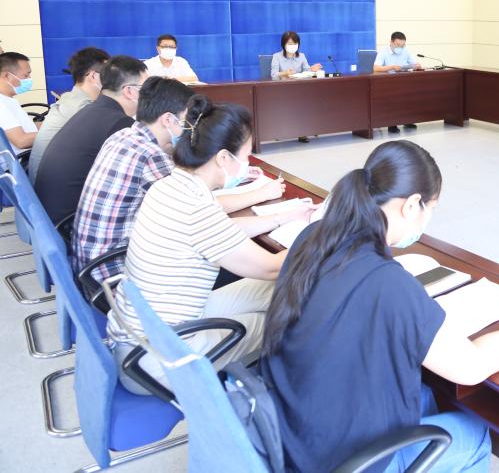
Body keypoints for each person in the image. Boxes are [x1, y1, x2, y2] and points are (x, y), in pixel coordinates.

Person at [260, 140, 499, 473]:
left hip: (292, 428)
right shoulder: (387, 282)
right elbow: (470, 367)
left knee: (426, 393)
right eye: (432, 209)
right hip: (339, 460)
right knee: (473, 433)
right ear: (412, 205)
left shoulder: (313, 237)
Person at [107, 95, 314, 394]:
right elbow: (271, 267)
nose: (247, 164)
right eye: (246, 156)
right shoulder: (196, 208)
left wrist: (282, 218)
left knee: (279, 292)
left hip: (150, 328)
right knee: (281, 317)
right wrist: (321, 232)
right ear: (223, 158)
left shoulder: (171, 186)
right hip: (157, 360)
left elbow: (221, 231)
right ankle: (281, 396)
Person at [73, 78, 288, 284]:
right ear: (168, 119)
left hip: (98, 265)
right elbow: (205, 216)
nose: (192, 133)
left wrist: (277, 218)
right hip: (116, 272)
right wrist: (262, 195)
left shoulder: (123, 136)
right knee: (256, 275)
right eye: (188, 124)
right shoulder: (153, 159)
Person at [34, 56, 148, 223]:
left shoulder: (95, 109)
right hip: (70, 222)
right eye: (146, 88)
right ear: (130, 91)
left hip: (50, 216)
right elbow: (140, 177)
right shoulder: (119, 123)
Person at [28, 47, 109, 181]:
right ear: (94, 76)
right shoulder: (82, 106)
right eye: (109, 72)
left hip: (46, 179)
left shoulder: (71, 97)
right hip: (53, 183)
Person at [376, 32, 423, 132]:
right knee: (394, 95)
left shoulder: (406, 51)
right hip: (388, 82)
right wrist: (391, 67)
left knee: (412, 93)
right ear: (391, 42)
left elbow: (414, 63)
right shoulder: (383, 51)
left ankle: (407, 120)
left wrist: (417, 65)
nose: (400, 48)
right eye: (398, 45)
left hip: (404, 80)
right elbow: (375, 68)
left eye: (402, 45)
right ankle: (392, 123)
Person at [0, 52, 37, 152]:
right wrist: (56, 133)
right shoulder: (1, 104)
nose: (29, 79)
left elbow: (28, 127)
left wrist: (54, 124)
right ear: (7, 76)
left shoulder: (8, 99)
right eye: (26, 75)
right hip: (25, 159)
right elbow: (21, 141)